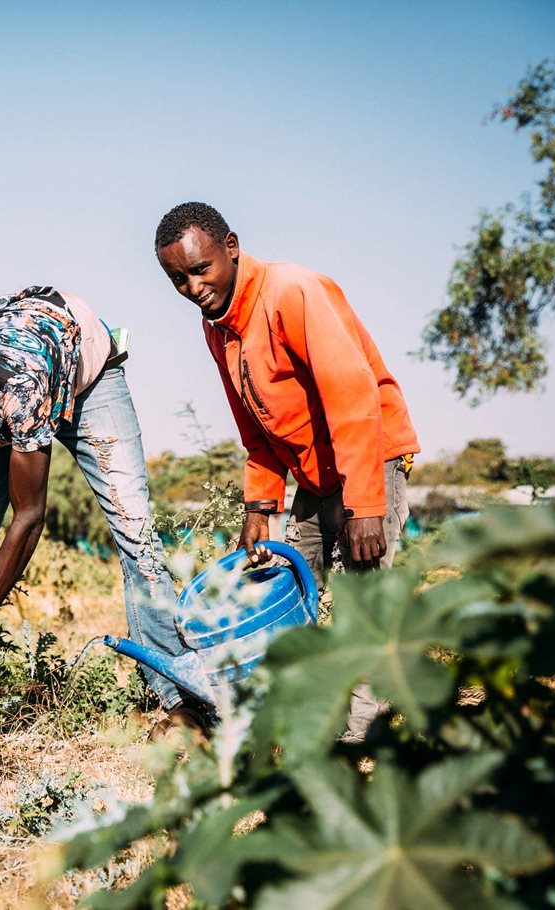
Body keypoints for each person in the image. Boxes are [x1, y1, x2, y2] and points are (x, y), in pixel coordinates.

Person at [0, 287, 207, 734]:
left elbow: (29, 516)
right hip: (9, 388)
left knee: (135, 532)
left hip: (84, 373)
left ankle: (182, 702)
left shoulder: (20, 385)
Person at [153, 201, 419, 740]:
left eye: (200, 269)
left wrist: (366, 506)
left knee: (362, 588)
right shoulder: (219, 327)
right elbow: (255, 424)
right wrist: (259, 506)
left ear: (231, 246)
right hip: (314, 471)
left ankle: (363, 731)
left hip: (371, 457)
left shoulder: (293, 293)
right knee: (288, 580)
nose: (193, 287)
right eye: (177, 278)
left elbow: (353, 396)